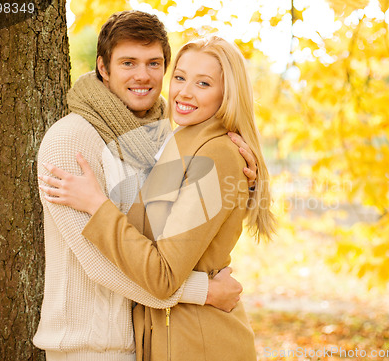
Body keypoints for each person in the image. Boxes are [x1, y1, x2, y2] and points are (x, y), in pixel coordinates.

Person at [33, 11, 258, 361]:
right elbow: (98, 261)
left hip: (148, 340)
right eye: (127, 63)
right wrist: (205, 291)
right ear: (103, 68)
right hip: (89, 346)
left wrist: (242, 181)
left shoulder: (168, 138)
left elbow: (174, 233)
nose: (143, 76)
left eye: (154, 63)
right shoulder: (70, 141)